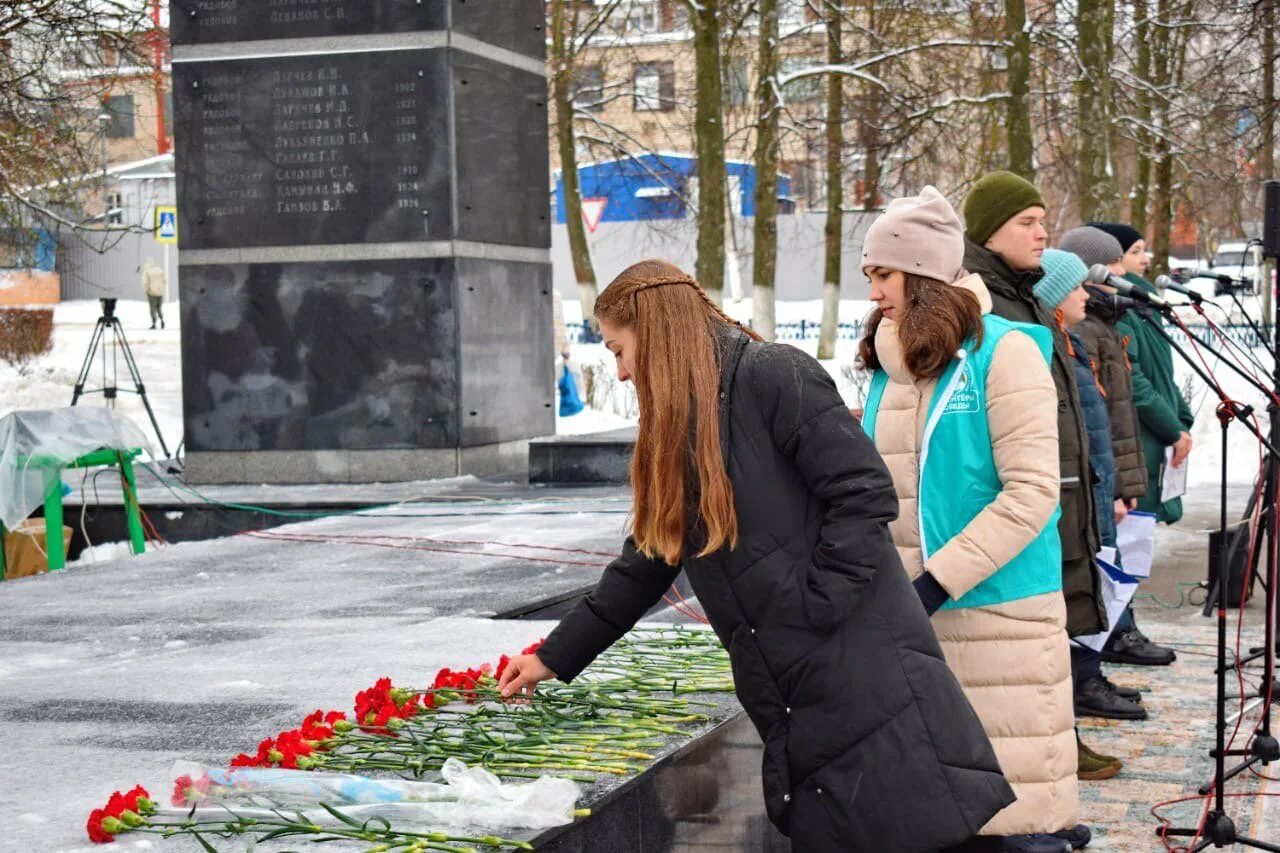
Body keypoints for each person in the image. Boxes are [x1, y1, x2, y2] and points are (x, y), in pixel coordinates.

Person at [499, 259, 1015, 852]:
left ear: (656, 330)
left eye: (620, 350)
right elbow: (647, 560)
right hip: (791, 683)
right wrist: (554, 655)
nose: (619, 372)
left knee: (919, 828)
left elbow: (863, 492)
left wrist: (816, 605)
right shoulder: (677, 428)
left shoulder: (772, 375)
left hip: (860, 667)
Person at [857, 188, 1082, 853]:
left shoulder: (1004, 353)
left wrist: (933, 582)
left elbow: (1032, 494)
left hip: (1000, 619)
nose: (872, 292)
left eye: (883, 274)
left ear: (924, 274)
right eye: (869, 275)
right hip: (911, 624)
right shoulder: (889, 369)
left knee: (1010, 822)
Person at [962, 173, 1105, 648]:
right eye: (1028, 222)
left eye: (1042, 221)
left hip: (1057, 492)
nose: (1043, 233)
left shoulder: (1030, 299)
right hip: (1013, 503)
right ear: (990, 231)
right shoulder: (977, 303)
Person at [1032, 248, 1138, 781]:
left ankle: (1074, 717)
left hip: (1090, 499)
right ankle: (1067, 724)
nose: (1085, 296)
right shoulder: (1048, 350)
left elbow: (1098, 433)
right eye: (1074, 287)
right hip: (1067, 505)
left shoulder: (1070, 346)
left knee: (1085, 611)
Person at [1089, 221, 1189, 667]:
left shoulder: (1139, 306)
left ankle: (1122, 625)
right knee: (1121, 540)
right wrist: (1170, 426)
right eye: (1135, 252)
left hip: (1147, 436)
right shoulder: (1113, 313)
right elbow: (1136, 382)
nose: (1144, 260)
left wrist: (1182, 418)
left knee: (1133, 537)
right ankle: (1116, 629)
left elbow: (1161, 374)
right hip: (1136, 436)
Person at [141, 258, 167, 330]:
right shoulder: (160, 270)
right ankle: (162, 320)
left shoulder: (147, 272)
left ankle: (154, 323)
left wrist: (146, 291)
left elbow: (145, 283)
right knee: (159, 307)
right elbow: (165, 280)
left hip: (152, 293)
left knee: (152, 309)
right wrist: (162, 289)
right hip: (160, 293)